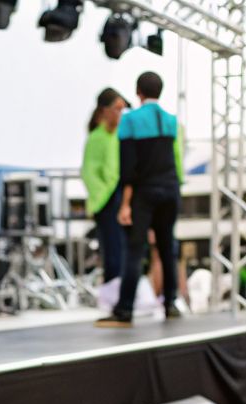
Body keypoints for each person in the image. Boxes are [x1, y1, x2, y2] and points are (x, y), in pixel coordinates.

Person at [95, 70, 185, 327]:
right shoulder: (171, 121)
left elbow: (129, 167)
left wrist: (125, 203)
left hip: (145, 193)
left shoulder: (130, 121)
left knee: (135, 251)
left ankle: (124, 310)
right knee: (167, 248)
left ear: (138, 92)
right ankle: (170, 303)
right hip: (170, 189)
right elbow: (176, 159)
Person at [82, 87, 128, 288]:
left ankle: (120, 291)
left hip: (119, 195)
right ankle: (112, 292)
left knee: (123, 249)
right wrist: (103, 194)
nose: (120, 114)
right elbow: (89, 172)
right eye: (117, 108)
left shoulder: (117, 135)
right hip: (107, 200)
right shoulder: (97, 137)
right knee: (112, 251)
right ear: (104, 110)